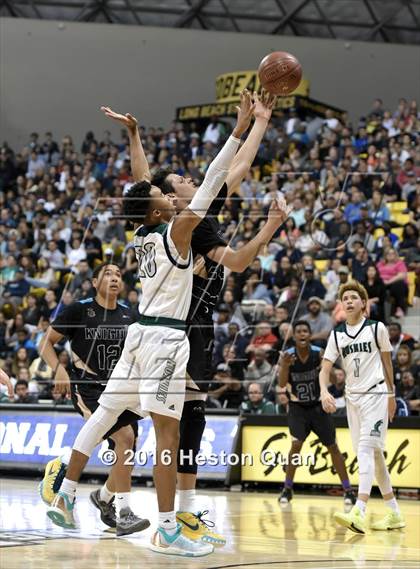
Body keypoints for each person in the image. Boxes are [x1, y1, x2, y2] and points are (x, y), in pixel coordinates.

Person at [46, 104, 254, 557]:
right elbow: (217, 175)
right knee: (168, 436)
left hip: (138, 335)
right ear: (160, 212)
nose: (172, 197)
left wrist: (136, 138)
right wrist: (237, 132)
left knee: (105, 414)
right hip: (163, 340)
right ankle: (167, 528)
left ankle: (66, 492)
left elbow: (143, 187)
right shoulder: (177, 231)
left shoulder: (141, 235)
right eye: (166, 199)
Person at [101, 90, 289, 545]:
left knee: (182, 420)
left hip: (189, 325)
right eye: (181, 178)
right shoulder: (185, 223)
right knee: (176, 422)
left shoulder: (187, 214)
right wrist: (268, 226)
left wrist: (259, 121)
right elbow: (154, 185)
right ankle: (157, 513)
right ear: (169, 195)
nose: (191, 178)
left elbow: (234, 166)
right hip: (178, 327)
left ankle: (121, 496)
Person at [39, 263, 146, 536]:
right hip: (88, 388)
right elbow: (45, 343)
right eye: (108, 274)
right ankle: (121, 511)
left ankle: (103, 496)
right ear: (95, 281)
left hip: (120, 390)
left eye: (119, 275)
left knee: (128, 450)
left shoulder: (128, 315)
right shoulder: (79, 309)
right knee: (124, 439)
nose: (114, 278)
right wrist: (59, 369)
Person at [320, 281, 405, 534]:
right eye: (344, 297)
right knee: (374, 456)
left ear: (363, 303)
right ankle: (394, 513)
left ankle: (359, 510)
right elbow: (324, 369)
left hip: (377, 394)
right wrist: (324, 391)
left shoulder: (376, 328)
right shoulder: (336, 334)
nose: (348, 301)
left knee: (366, 449)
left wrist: (391, 395)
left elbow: (388, 364)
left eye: (353, 297)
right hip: (352, 399)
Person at [278, 320, 355, 505]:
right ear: (294, 336)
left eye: (305, 331)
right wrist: (285, 366)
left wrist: (329, 370)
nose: (302, 334)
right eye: (299, 331)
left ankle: (348, 490)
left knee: (333, 447)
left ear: (310, 335)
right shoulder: (288, 356)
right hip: (297, 408)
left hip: (318, 407)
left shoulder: (318, 353)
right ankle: (287, 488)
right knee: (296, 445)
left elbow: (334, 379)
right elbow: (281, 384)